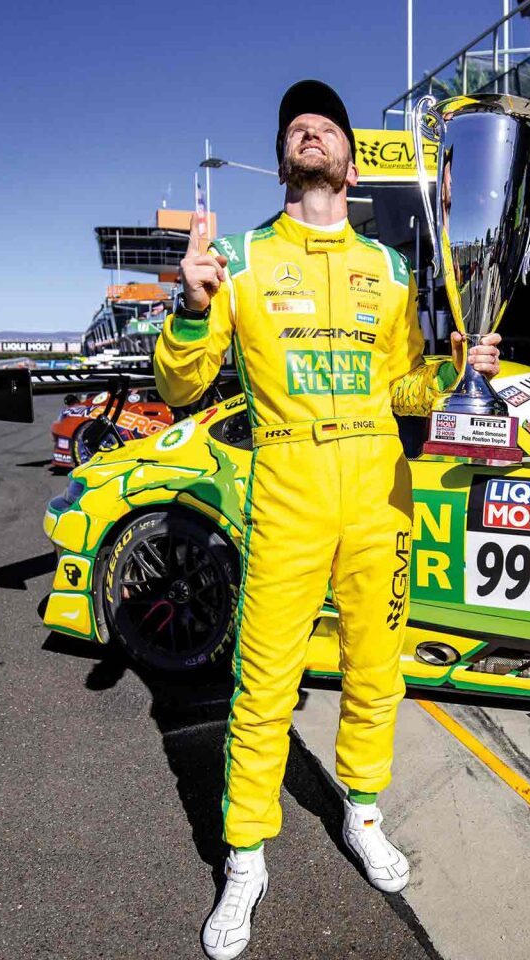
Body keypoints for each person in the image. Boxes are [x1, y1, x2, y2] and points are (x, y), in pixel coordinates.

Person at [153, 80, 501, 960]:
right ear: (284, 158)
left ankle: (364, 812)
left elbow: (405, 388)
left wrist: (458, 371)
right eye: (295, 128)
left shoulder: (389, 268)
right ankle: (244, 856)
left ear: (349, 158)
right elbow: (181, 388)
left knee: (377, 671)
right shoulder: (235, 258)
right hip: (289, 488)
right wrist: (193, 309)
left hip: (380, 489)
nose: (309, 132)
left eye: (325, 126)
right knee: (264, 685)